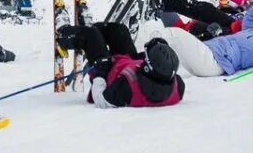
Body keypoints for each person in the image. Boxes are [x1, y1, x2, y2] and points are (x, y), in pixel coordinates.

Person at [56, 22, 185, 108]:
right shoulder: (177, 85)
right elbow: (158, 72)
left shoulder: (126, 88)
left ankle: (62, 35)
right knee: (119, 29)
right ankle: (92, 32)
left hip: (107, 68)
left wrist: (99, 74)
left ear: (147, 67)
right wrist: (148, 54)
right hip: (127, 62)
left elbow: (100, 100)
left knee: (91, 35)